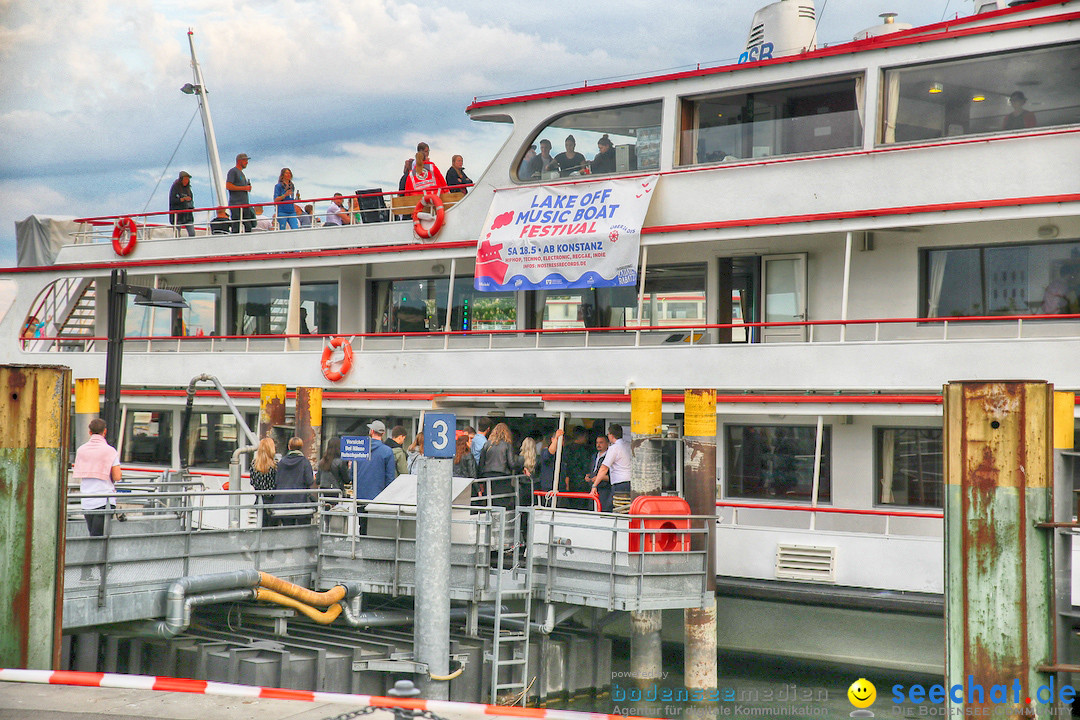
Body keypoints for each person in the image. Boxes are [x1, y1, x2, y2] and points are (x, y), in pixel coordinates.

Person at [72, 418, 122, 537]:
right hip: (104, 499)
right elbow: (117, 476)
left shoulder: (81, 450)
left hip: (87, 500)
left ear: (90, 432)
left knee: (92, 533)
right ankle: (96, 556)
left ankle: (93, 555)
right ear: (105, 432)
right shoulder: (110, 451)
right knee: (100, 537)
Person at [272, 436, 316, 525]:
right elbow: (309, 481)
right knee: (302, 530)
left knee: (288, 528)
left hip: (283, 501)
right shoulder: (305, 462)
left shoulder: (281, 462)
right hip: (301, 501)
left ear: (289, 447)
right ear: (301, 447)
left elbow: (276, 480)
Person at [478, 422, 520, 508]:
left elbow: (481, 464)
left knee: (490, 501)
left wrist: (480, 480)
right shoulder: (507, 445)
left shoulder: (487, 444)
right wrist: (520, 464)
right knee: (501, 502)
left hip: (488, 476)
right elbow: (512, 464)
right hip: (502, 477)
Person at [590, 424, 629, 512]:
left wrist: (595, 485)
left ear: (611, 435)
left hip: (619, 483)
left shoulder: (613, 448)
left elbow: (604, 468)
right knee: (626, 508)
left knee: (610, 508)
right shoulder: (628, 445)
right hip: (630, 482)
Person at [354, 420, 397, 501]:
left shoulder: (360, 449)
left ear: (371, 431)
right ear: (383, 434)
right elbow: (390, 478)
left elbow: (352, 474)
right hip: (379, 498)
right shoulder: (387, 451)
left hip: (359, 496)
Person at [562, 426, 594, 510]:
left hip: (568, 483)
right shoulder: (586, 450)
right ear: (583, 436)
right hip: (583, 483)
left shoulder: (566, 449)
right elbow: (587, 466)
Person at [249, 436, 278, 527]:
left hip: (260, 499)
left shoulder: (254, 464)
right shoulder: (275, 465)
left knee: (262, 525)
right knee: (273, 528)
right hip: (273, 500)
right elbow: (277, 482)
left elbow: (252, 482)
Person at [226, 153, 255, 233]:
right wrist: (244, 188)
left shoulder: (241, 173)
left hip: (244, 204)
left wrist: (246, 188)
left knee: (248, 224)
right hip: (236, 204)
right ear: (239, 161)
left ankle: (248, 240)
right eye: (245, 160)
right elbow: (228, 186)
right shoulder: (233, 171)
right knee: (236, 225)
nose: (247, 162)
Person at [169, 171, 195, 237]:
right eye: (185, 179)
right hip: (177, 216)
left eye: (188, 179)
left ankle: (192, 245)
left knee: (192, 233)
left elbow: (191, 200)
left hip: (187, 215)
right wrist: (182, 199)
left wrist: (190, 204)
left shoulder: (188, 189)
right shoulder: (175, 188)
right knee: (177, 234)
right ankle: (177, 245)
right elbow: (172, 200)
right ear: (181, 179)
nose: (187, 181)